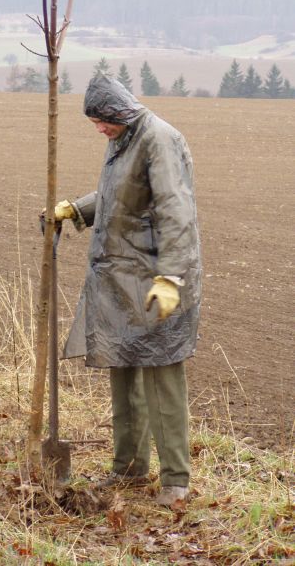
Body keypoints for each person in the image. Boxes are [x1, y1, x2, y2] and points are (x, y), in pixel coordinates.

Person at [53, 75, 201, 506]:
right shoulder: (123, 138)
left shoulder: (158, 139)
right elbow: (120, 194)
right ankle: (129, 469)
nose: (98, 128)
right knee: (123, 369)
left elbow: (175, 211)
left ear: (119, 112)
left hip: (155, 278)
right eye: (94, 122)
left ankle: (175, 481)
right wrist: (76, 209)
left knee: (162, 377)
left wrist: (171, 278)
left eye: (102, 120)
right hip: (123, 279)